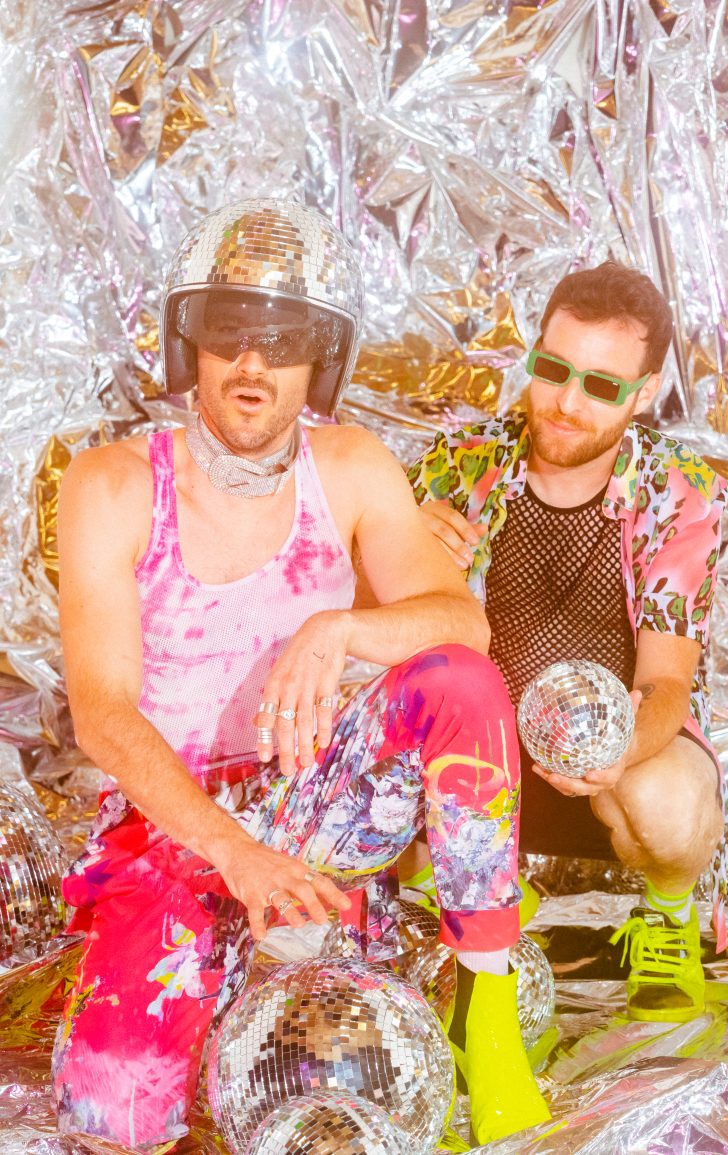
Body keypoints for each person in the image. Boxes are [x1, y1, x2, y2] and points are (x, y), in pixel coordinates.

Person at [51, 198, 549, 1152]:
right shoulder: (113, 484)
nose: (252, 364)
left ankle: (487, 1013)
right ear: (189, 343)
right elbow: (103, 713)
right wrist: (236, 852)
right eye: (230, 331)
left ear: (319, 359)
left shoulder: (351, 465)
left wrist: (342, 626)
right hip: (177, 826)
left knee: (459, 681)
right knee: (112, 1113)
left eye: (281, 341)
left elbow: (465, 623)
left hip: (315, 795)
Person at [407, 261, 727, 1023]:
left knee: (670, 802)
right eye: (553, 369)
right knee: (360, 778)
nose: (567, 402)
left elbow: (668, 680)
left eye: (602, 385)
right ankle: (472, 899)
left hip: (612, 767)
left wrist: (618, 752)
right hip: (474, 761)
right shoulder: (460, 464)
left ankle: (668, 915)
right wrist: (397, 538)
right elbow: (381, 634)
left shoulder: (677, 489)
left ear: (644, 393)